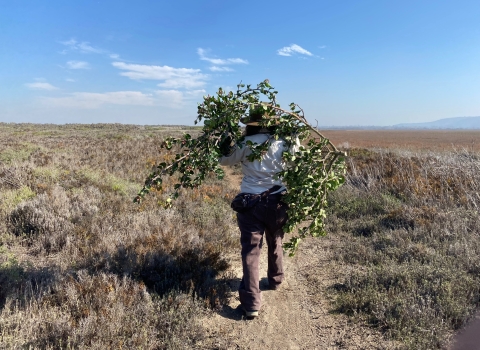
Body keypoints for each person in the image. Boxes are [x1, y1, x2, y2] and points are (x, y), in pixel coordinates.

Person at [219, 104, 298, 318]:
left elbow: (224, 161)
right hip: (278, 201)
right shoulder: (282, 143)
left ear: (251, 124)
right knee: (276, 240)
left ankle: (252, 304)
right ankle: (276, 279)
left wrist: (224, 142)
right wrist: (294, 140)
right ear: (272, 124)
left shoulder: (245, 142)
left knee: (251, 251)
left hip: (250, 202)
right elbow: (294, 163)